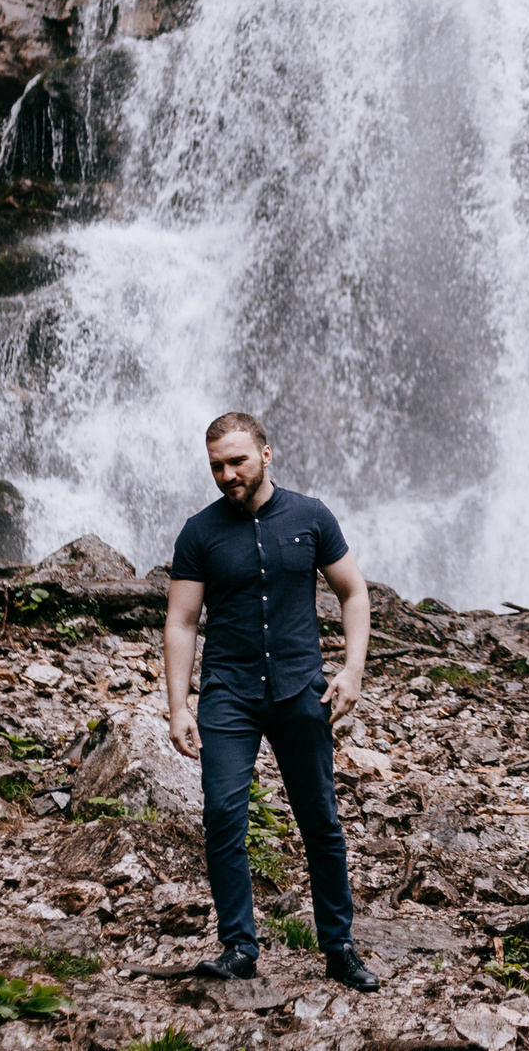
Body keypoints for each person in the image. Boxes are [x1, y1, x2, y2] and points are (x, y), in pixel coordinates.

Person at [163, 411, 379, 991]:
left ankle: (339, 948)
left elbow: (353, 591)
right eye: (217, 466)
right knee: (223, 816)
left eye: (237, 461)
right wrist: (178, 705)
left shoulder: (310, 516)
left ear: (266, 454)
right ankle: (239, 946)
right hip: (227, 697)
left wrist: (352, 670)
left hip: (299, 691)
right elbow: (182, 621)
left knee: (321, 822)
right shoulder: (199, 532)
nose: (228, 474)